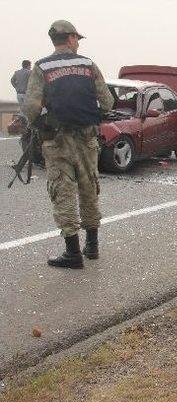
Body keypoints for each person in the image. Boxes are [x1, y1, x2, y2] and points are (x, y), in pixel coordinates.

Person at [23, 20, 114, 269]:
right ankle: (92, 246)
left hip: (57, 139)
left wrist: (41, 122)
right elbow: (107, 102)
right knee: (89, 186)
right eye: (77, 39)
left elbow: (31, 108)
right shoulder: (88, 64)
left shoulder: (42, 67)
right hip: (87, 138)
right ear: (71, 38)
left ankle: (73, 253)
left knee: (62, 191)